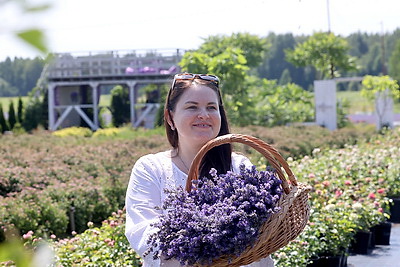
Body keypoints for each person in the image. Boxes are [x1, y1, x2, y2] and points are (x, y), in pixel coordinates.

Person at [125, 73, 275, 267]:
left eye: (211, 107)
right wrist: (196, 252)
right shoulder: (151, 169)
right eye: (192, 107)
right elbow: (143, 232)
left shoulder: (239, 166)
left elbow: (263, 231)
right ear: (170, 118)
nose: (204, 115)